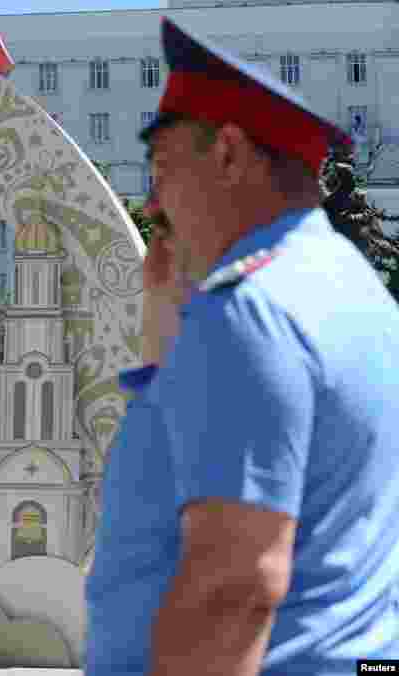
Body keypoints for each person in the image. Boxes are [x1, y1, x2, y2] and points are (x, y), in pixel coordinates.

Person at [87, 17, 399, 676]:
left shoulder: (250, 313)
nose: (153, 203)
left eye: (164, 166)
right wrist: (167, 349)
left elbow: (233, 589)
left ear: (228, 155)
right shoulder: (355, 293)